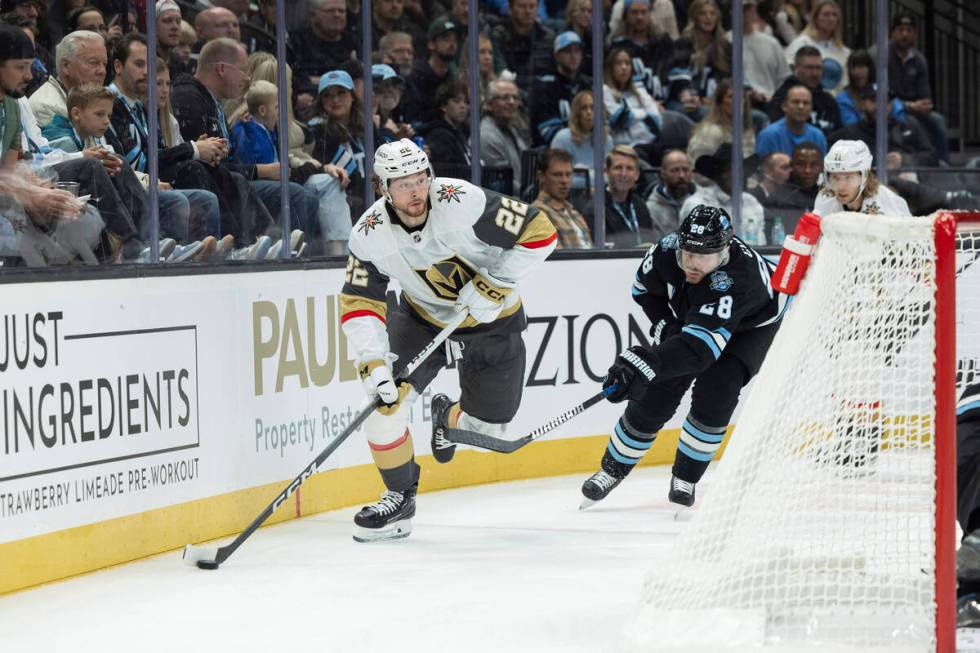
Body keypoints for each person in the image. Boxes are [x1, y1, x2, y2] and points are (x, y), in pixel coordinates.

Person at [339, 139, 557, 541]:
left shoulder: (461, 201)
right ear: (382, 187)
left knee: (490, 431)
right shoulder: (368, 234)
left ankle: (448, 418)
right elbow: (359, 302)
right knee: (382, 408)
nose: (416, 192)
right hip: (422, 320)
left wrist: (496, 281)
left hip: (493, 319)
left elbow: (541, 232)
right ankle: (398, 499)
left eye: (420, 179)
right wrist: (374, 363)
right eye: (402, 184)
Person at [580, 204, 787, 508]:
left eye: (703, 256)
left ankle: (686, 477)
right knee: (657, 390)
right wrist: (666, 324)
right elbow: (644, 292)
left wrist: (646, 363)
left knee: (718, 389)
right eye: (688, 252)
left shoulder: (739, 280)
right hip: (700, 320)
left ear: (724, 250)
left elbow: (700, 352)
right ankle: (611, 469)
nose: (692, 262)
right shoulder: (666, 250)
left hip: (753, 326)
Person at [682, 143, 767, 244]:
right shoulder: (697, 205)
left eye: (739, 170)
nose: (735, 175)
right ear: (717, 174)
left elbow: (761, 246)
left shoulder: (752, 202)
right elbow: (694, 248)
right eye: (728, 170)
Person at [583, 144, 656, 249]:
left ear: (637, 174)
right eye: (618, 168)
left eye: (629, 168)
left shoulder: (640, 204)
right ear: (607, 172)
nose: (623, 174)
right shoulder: (595, 210)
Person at [813, 139, 910, 217]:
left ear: (864, 177)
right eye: (835, 178)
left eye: (849, 178)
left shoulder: (887, 201)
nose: (841, 187)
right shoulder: (825, 200)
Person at [528, 31, 591, 147]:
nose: (573, 56)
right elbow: (549, 132)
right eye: (568, 51)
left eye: (577, 51)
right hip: (551, 154)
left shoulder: (588, 84)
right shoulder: (543, 88)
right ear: (557, 55)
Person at [531, 147, 593, 249]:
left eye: (568, 174)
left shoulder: (574, 212)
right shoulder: (538, 214)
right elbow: (555, 260)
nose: (564, 180)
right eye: (557, 175)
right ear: (541, 176)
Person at [550, 89, 610, 191]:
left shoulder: (606, 139)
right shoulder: (562, 138)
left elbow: (611, 176)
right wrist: (592, 180)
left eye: (593, 108)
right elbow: (558, 179)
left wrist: (586, 177)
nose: (589, 112)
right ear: (576, 113)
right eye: (584, 108)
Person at [784, 0, 850, 93]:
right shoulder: (802, 42)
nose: (831, 18)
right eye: (826, 14)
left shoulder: (844, 51)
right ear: (815, 18)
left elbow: (844, 84)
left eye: (834, 15)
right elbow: (787, 69)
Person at [756, 84, 827, 157]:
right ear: (784, 106)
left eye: (806, 103)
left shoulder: (818, 137)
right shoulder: (769, 135)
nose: (801, 107)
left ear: (811, 108)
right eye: (796, 102)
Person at [646, 148, 695, 239]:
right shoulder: (651, 208)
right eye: (675, 170)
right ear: (663, 174)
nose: (681, 175)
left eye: (685, 170)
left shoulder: (702, 202)